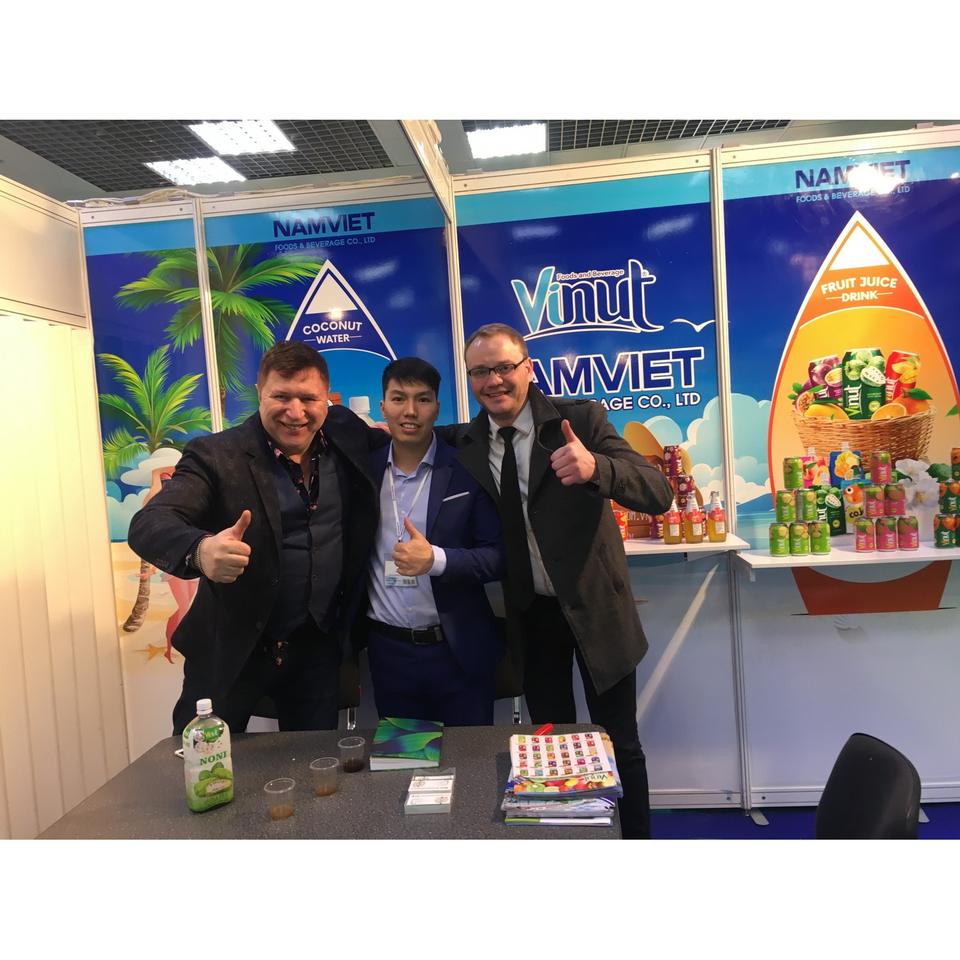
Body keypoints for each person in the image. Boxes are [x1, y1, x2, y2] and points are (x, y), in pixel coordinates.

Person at [451, 323, 674, 839]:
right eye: (480, 371)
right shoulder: (467, 441)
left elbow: (658, 492)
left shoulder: (580, 420)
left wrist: (597, 467)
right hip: (532, 617)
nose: (493, 380)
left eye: (504, 366)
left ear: (528, 368)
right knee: (552, 751)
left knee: (618, 743)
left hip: (596, 610)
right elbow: (406, 434)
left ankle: (634, 845)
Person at [127, 341, 381, 735]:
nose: (295, 412)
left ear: (326, 400)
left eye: (308, 399)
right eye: (281, 396)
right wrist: (201, 550)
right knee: (200, 761)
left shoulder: (345, 432)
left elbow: (415, 438)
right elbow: (150, 523)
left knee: (312, 762)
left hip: (317, 651)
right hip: (228, 651)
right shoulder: (215, 455)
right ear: (260, 393)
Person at [356, 357, 505, 725]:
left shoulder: (467, 470)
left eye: (422, 399)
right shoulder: (362, 472)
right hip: (390, 654)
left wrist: (436, 560)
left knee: (468, 755)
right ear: (383, 407)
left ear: (437, 407)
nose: (410, 411)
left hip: (457, 651)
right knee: (405, 756)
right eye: (398, 398)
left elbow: (498, 556)